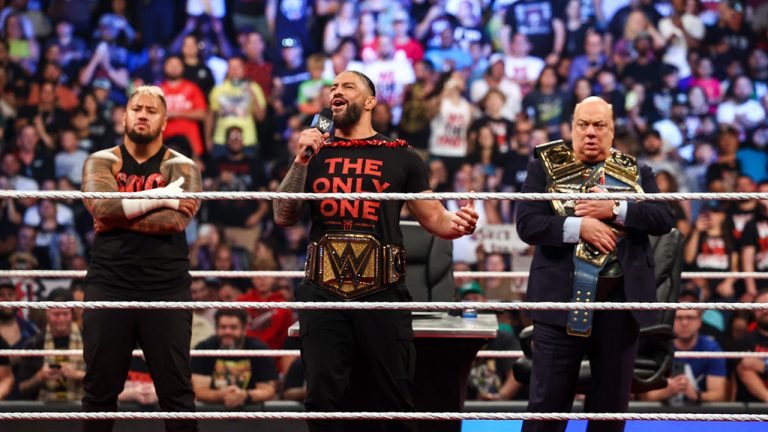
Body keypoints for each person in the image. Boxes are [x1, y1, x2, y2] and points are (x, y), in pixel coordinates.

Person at [273, 70, 479, 432]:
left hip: (382, 292)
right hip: (324, 293)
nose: (336, 91)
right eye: (333, 88)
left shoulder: (400, 156)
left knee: (394, 398)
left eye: (347, 86)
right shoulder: (316, 152)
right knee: (322, 399)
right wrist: (301, 159)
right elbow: (283, 215)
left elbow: (436, 221)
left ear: (370, 101)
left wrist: (460, 222)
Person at [516, 96, 674, 432]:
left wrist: (615, 209)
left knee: (610, 411)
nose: (590, 133)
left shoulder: (637, 171)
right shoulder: (543, 166)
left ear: (612, 130)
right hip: (558, 304)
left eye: (599, 125)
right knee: (546, 409)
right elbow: (527, 224)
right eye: (583, 125)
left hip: (619, 306)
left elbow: (663, 217)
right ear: (571, 128)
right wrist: (579, 227)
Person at [80, 85, 202, 432]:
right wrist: (162, 195)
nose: (143, 114)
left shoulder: (182, 164)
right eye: (137, 108)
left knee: (177, 394)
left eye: (151, 110)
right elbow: (101, 207)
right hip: (109, 284)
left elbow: (177, 219)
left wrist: (118, 213)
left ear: (165, 121)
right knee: (99, 392)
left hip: (165, 287)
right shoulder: (102, 160)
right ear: (124, 116)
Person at [191, 309, 278, 407]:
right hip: (212, 413)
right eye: (223, 327)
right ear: (216, 328)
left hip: (251, 413)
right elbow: (199, 391)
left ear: (244, 329)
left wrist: (245, 395)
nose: (227, 331)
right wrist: (222, 395)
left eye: (233, 327)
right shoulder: (204, 349)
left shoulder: (259, 350)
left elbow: (269, 391)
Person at [16, 289, 85, 402]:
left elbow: (103, 382)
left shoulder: (88, 341)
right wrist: (39, 377)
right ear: (47, 313)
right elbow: (20, 388)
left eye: (65, 314)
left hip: (81, 411)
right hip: (45, 412)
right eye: (56, 314)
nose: (61, 319)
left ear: (72, 314)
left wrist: (77, 375)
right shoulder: (34, 343)